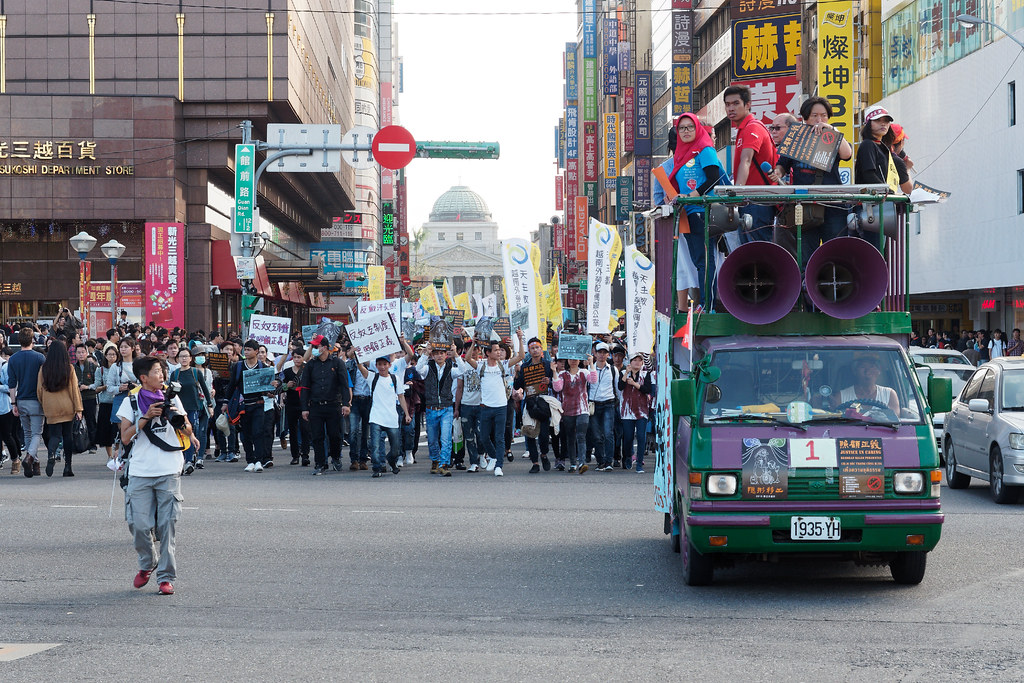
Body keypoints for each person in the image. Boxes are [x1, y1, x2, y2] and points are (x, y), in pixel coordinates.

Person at [118, 355, 193, 596]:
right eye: (157, 372)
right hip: (140, 471)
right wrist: (146, 417)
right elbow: (125, 437)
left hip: (169, 470)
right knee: (138, 525)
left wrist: (179, 422)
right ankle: (147, 564)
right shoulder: (130, 401)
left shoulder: (172, 397)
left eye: (163, 371)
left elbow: (188, 429)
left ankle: (165, 577)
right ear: (143, 378)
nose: (162, 375)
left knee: (167, 525)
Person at [772, 96, 855, 266]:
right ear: (805, 118)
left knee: (835, 251)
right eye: (814, 116)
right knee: (806, 254)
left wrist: (831, 130)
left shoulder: (834, 135)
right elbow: (782, 165)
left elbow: (847, 154)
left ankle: (835, 287)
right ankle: (808, 288)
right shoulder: (795, 137)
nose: (819, 120)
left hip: (833, 205)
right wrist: (778, 173)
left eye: (824, 115)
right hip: (805, 205)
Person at [665, 112, 729, 311]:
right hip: (688, 213)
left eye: (689, 127)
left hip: (703, 211)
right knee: (699, 261)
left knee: (705, 261)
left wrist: (691, 195)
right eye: (681, 128)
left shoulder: (705, 149)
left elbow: (714, 178)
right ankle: (704, 303)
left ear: (697, 129)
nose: (685, 131)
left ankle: (708, 305)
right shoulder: (682, 153)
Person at [462, 331, 525, 476]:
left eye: (499, 350)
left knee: (499, 437)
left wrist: (520, 339)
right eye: (495, 350)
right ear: (488, 353)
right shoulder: (481, 366)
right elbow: (467, 359)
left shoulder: (503, 364)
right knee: (484, 437)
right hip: (485, 407)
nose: (499, 352)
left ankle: (499, 466)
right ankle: (493, 456)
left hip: (501, 407)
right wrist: (473, 343)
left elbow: (521, 356)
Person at [724, 84, 778, 242]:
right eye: (727, 105)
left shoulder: (752, 127)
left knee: (757, 251)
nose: (730, 108)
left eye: (736, 103)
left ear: (747, 105)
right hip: (751, 200)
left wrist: (737, 193)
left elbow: (746, 161)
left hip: (757, 201)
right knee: (750, 251)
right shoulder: (744, 129)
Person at [299, 335, 352, 476]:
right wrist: (304, 408)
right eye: (314, 346)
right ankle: (320, 463)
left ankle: (335, 457)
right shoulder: (310, 365)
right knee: (317, 436)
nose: (315, 349)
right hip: (315, 405)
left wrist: (346, 404)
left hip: (333, 404)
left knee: (335, 435)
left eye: (317, 346)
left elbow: (344, 385)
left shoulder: (337, 363)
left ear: (325, 347)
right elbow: (305, 387)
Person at [224, 339, 277, 472]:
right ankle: (250, 460)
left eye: (249, 350)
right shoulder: (239, 366)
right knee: (246, 434)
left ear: (256, 351)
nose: (246, 352)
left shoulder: (264, 368)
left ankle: (259, 460)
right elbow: (232, 385)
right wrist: (226, 402)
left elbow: (273, 386)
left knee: (258, 432)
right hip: (243, 406)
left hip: (259, 404)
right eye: (245, 349)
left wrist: (274, 387)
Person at [415, 344, 466, 477]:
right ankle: (435, 461)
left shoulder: (451, 369)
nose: (439, 355)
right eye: (436, 353)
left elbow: (463, 370)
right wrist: (426, 353)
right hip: (431, 408)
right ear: (433, 355)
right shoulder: (428, 368)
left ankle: (444, 464)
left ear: (446, 355)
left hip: (446, 408)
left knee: (446, 438)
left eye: (442, 353)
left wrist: (456, 355)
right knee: (432, 439)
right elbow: (418, 369)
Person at [356, 355, 411, 477]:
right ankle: (377, 468)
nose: (382, 367)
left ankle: (391, 460)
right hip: (376, 417)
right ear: (376, 366)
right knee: (375, 446)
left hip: (391, 418)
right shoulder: (372, 377)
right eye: (379, 364)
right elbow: (360, 367)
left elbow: (401, 397)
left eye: (385, 364)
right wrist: (356, 354)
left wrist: (406, 414)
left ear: (389, 365)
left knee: (396, 449)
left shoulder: (395, 379)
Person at [4, 327, 47, 477]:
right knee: (37, 433)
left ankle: (33, 464)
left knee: (28, 433)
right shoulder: (40, 358)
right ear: (33, 340)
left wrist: (14, 403)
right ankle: (30, 458)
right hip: (36, 400)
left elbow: (11, 383)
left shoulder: (14, 359)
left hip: (20, 399)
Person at [38, 340, 84, 477]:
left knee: (54, 435)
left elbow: (39, 390)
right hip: (67, 406)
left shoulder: (43, 368)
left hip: (51, 407)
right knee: (67, 436)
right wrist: (78, 408)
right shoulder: (69, 368)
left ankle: (51, 454)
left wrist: (44, 403)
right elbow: (74, 390)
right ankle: (67, 467)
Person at [514, 336, 555, 473]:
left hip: (543, 401)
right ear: (529, 351)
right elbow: (517, 385)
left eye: (537, 347)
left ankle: (543, 454)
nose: (535, 350)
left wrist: (549, 380)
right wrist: (517, 374)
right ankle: (535, 462)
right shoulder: (525, 367)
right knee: (530, 432)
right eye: (532, 348)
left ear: (541, 349)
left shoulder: (548, 365)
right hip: (529, 401)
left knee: (543, 434)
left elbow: (555, 384)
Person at [171, 347, 214, 473]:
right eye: (181, 356)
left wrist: (210, 405)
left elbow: (205, 390)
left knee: (189, 432)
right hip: (178, 409)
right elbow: (170, 391)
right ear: (178, 359)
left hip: (193, 407)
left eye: (186, 356)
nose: (184, 359)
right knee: (180, 434)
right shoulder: (175, 373)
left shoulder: (196, 372)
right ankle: (184, 459)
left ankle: (189, 461)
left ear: (191, 358)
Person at [552, 354, 596, 473]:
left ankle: (582, 462)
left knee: (581, 436)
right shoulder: (562, 374)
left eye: (575, 359)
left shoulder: (584, 372)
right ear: (567, 360)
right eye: (571, 359)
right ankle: (572, 463)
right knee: (570, 437)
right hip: (567, 410)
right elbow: (557, 388)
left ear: (579, 360)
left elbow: (593, 380)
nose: (573, 361)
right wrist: (554, 372)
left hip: (583, 409)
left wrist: (591, 363)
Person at [854, 106, 910, 194]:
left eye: (886, 121)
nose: (883, 124)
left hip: (881, 201)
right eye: (877, 120)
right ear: (868, 123)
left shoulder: (883, 148)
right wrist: (888, 192)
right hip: (869, 204)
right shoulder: (867, 144)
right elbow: (868, 175)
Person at [618, 352, 653, 473]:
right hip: (627, 411)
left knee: (641, 437)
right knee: (628, 437)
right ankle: (628, 456)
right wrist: (627, 373)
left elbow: (647, 389)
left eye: (639, 360)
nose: (637, 362)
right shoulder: (623, 373)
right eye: (634, 360)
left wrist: (634, 384)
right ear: (630, 362)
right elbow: (620, 386)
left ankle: (639, 463)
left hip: (641, 410)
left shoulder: (645, 374)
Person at [587, 342, 620, 471]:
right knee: (596, 434)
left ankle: (608, 462)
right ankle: (600, 461)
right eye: (599, 352)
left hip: (608, 403)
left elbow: (617, 388)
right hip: (594, 404)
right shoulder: (590, 368)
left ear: (608, 354)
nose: (601, 355)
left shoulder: (613, 369)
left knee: (608, 433)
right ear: (595, 353)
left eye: (604, 353)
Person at [280, 347, 311, 466]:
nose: (297, 359)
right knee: (292, 430)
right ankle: (295, 455)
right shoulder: (287, 372)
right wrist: (287, 386)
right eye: (295, 357)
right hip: (291, 403)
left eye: (299, 357)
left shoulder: (306, 370)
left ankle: (305, 455)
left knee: (305, 430)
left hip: (304, 404)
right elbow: (281, 387)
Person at [345, 346, 372, 470]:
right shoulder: (350, 364)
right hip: (354, 400)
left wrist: (365, 360)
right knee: (354, 430)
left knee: (365, 431)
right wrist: (351, 353)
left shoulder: (372, 363)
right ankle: (354, 459)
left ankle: (363, 459)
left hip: (368, 400)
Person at [73, 343, 100, 454]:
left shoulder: (93, 367)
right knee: (75, 422)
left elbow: (98, 383)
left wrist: (87, 387)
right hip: (77, 398)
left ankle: (92, 445)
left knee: (91, 421)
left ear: (87, 353)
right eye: (78, 352)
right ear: (75, 354)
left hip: (90, 397)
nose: (81, 355)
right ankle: (77, 445)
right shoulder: (73, 368)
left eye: (83, 352)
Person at [0, 348, 23, 475]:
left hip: (4, 406)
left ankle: (15, 459)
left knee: (7, 435)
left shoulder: (4, 365)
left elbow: (11, 386)